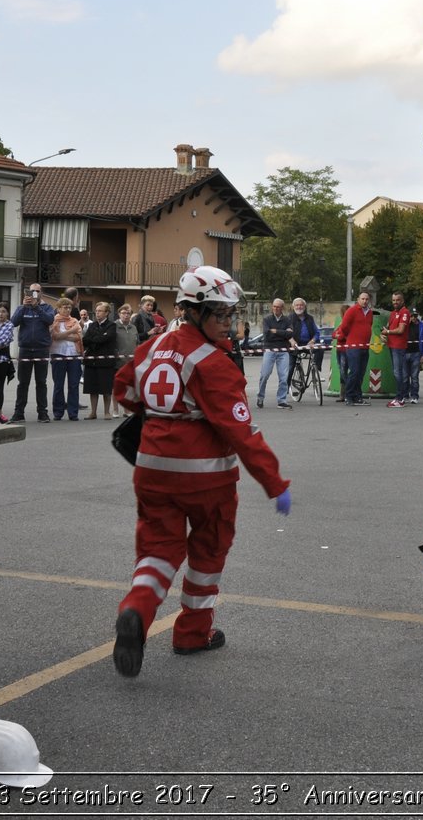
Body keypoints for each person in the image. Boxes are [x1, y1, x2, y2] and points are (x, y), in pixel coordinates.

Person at [110, 265, 292, 678]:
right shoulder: (213, 362)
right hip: (206, 476)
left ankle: (136, 609)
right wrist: (275, 483)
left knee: (157, 550)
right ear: (193, 311)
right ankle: (192, 633)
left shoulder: (151, 348)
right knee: (208, 551)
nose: (228, 324)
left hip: (152, 469)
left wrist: (159, 416)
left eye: (231, 315)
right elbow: (241, 432)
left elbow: (123, 390)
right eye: (220, 314)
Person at [11, 285, 54, 422]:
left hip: (41, 349)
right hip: (25, 350)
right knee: (23, 383)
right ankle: (19, 413)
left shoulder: (47, 307)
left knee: (41, 382)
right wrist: (24, 306)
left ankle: (42, 413)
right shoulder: (22, 308)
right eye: (32, 291)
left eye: (37, 291)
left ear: (41, 293)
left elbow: (49, 320)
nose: (34, 293)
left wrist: (37, 307)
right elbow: (13, 322)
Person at [334, 291, 374, 404]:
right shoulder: (352, 310)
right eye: (363, 299)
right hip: (353, 347)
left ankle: (358, 396)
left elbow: (369, 325)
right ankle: (349, 396)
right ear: (358, 299)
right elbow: (344, 326)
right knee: (354, 372)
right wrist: (350, 337)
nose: (365, 301)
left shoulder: (370, 313)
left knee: (361, 373)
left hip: (365, 347)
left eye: (367, 299)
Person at [256, 298, 294, 409]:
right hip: (269, 349)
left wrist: (276, 331)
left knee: (283, 377)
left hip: (283, 351)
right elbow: (267, 335)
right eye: (274, 306)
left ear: (282, 308)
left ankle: (281, 400)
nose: (276, 308)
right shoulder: (267, 319)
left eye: (278, 306)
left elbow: (290, 335)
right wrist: (283, 333)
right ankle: (260, 397)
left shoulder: (287, 320)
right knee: (265, 375)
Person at [81, 301, 118, 419]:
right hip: (92, 361)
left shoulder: (112, 325)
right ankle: (93, 412)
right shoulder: (92, 325)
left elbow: (106, 338)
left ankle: (107, 412)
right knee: (93, 388)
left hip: (105, 362)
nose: (97, 313)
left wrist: (94, 339)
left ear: (107, 313)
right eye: (96, 311)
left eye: (100, 311)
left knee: (106, 389)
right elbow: (85, 340)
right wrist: (96, 339)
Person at [50, 301, 83, 420]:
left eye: (69, 308)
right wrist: (71, 332)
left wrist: (64, 335)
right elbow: (55, 336)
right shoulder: (53, 321)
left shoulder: (74, 321)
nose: (68, 310)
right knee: (58, 385)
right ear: (58, 309)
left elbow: (78, 337)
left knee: (74, 385)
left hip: (74, 355)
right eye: (65, 307)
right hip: (58, 355)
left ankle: (73, 413)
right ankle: (58, 412)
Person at [384, 291, 414, 407]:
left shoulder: (405, 312)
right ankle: (400, 397)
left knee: (398, 373)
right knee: (396, 372)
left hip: (399, 347)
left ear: (402, 301)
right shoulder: (393, 313)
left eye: (398, 300)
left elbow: (401, 330)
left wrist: (388, 332)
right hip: (391, 345)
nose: (395, 302)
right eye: (393, 300)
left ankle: (400, 398)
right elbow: (388, 328)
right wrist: (385, 333)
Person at [109, 304, 140, 418]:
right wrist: (116, 353)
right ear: (119, 314)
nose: (126, 315)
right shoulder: (114, 326)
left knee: (129, 387)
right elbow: (112, 343)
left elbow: (137, 343)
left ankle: (127, 410)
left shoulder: (134, 327)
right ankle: (115, 410)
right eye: (124, 313)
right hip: (118, 362)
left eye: (128, 313)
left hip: (131, 362)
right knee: (115, 387)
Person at [289, 298, 321, 375]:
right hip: (295, 346)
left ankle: (316, 369)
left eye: (301, 305)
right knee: (290, 366)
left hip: (308, 344)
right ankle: (288, 384)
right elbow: (286, 333)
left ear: (305, 307)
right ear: (293, 307)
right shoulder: (289, 318)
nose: (299, 307)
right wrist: (292, 341)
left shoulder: (310, 318)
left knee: (320, 349)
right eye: (297, 305)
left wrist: (313, 340)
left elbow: (317, 332)